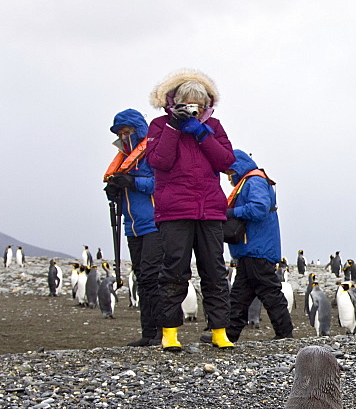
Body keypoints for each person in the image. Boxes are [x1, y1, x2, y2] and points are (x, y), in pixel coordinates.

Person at [146, 69, 236, 350]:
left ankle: (220, 330)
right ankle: (169, 332)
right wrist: (174, 127)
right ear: (174, 102)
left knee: (215, 271)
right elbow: (158, 161)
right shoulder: (160, 126)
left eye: (199, 105)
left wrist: (202, 134)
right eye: (187, 104)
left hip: (209, 210)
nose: (193, 110)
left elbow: (226, 160)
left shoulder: (214, 127)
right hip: (175, 211)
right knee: (174, 271)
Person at [104, 109, 165, 347]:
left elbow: (159, 184)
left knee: (153, 277)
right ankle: (148, 332)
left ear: (138, 130)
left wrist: (132, 181)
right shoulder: (125, 159)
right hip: (133, 227)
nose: (123, 136)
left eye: (126, 131)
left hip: (153, 223)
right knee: (142, 278)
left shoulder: (152, 153)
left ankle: (161, 332)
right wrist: (115, 189)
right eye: (120, 133)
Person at [218, 149, 293, 343]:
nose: (229, 178)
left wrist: (231, 212)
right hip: (250, 249)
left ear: (237, 167)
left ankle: (285, 333)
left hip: (257, 248)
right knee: (240, 295)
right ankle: (229, 334)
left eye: (230, 173)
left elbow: (259, 208)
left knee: (269, 292)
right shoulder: (250, 181)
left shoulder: (254, 181)